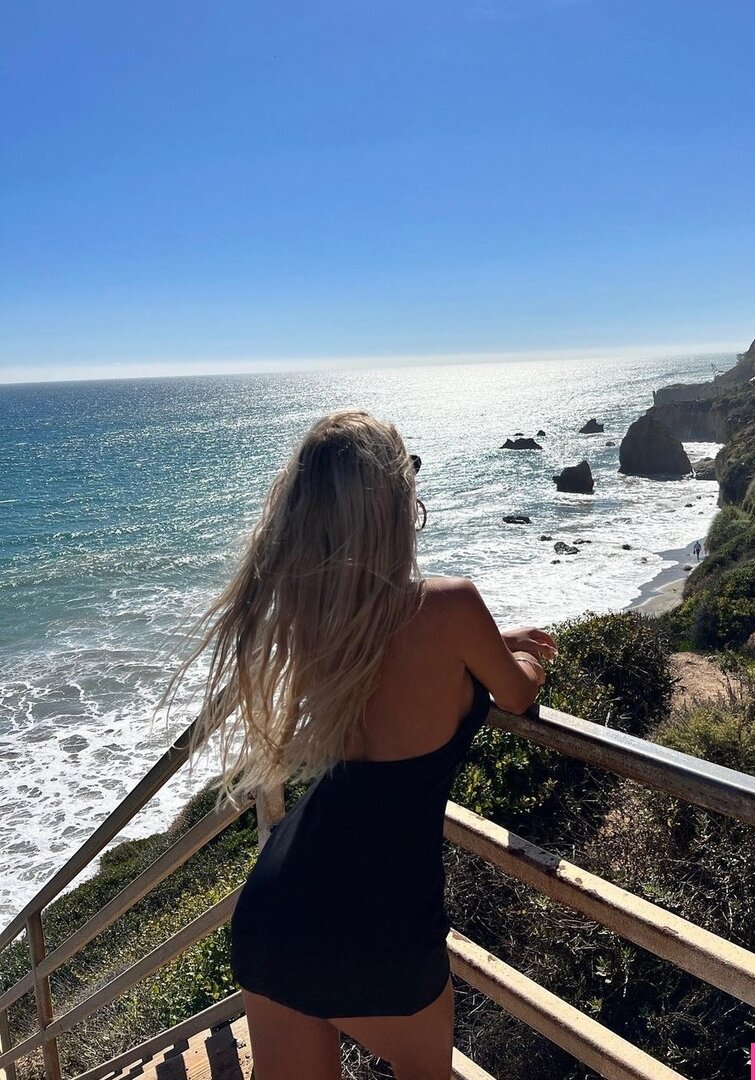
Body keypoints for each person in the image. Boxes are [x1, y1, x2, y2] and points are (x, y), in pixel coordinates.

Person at [164, 409, 557, 1080]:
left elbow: (389, 649)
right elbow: (517, 694)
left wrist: (485, 643)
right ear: (393, 502)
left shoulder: (316, 618)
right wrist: (513, 657)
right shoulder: (452, 607)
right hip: (384, 919)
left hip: (279, 909)